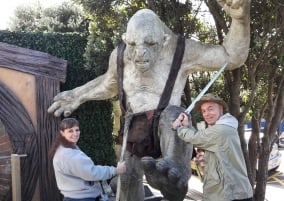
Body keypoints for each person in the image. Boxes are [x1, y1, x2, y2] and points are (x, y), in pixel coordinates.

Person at [48, 1, 251, 200]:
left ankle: (176, 172)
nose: (140, 53)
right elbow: (108, 83)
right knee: (126, 181)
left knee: (176, 115)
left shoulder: (180, 50)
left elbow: (231, 57)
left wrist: (240, 19)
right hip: (133, 128)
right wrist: (77, 95)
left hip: (167, 124)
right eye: (133, 44)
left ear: (163, 40)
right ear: (126, 39)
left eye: (150, 44)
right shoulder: (120, 55)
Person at [172, 93, 253, 201]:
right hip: (227, 193)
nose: (206, 114)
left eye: (210, 109)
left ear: (221, 109)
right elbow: (200, 137)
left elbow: (195, 138)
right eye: (204, 111)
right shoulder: (223, 128)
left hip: (230, 195)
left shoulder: (221, 130)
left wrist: (179, 128)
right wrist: (186, 126)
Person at [48, 118, 126, 201]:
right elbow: (92, 173)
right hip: (83, 198)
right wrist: (115, 170)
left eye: (77, 130)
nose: (75, 133)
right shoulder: (69, 154)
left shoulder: (64, 148)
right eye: (70, 131)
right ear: (62, 133)